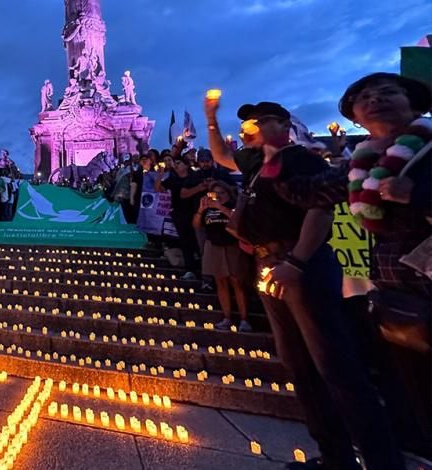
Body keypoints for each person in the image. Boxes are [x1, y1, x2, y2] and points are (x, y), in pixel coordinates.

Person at [235, 100, 404, 470]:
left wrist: (297, 260)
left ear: (283, 124)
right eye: (248, 122)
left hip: (301, 268)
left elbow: (319, 208)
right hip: (271, 267)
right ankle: (335, 456)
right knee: (300, 368)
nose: (251, 127)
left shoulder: (300, 158)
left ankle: (382, 461)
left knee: (335, 367)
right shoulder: (258, 166)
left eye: (260, 120)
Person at [193, 181, 251, 331]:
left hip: (232, 245)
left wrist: (220, 207)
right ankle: (227, 318)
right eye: (214, 193)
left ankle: (244, 319)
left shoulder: (233, 204)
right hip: (214, 245)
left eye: (221, 193)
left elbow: (238, 220)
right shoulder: (208, 209)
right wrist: (201, 209)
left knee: (236, 282)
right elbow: (197, 225)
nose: (217, 196)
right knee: (221, 282)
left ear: (228, 193)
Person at [154, 157, 200, 279]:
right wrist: (160, 175)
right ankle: (190, 269)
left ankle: (201, 268)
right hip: (179, 213)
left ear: (186, 165)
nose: (176, 165)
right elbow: (159, 188)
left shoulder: (194, 177)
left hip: (195, 212)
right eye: (176, 163)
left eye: (178, 163)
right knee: (185, 242)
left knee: (197, 241)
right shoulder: (173, 179)